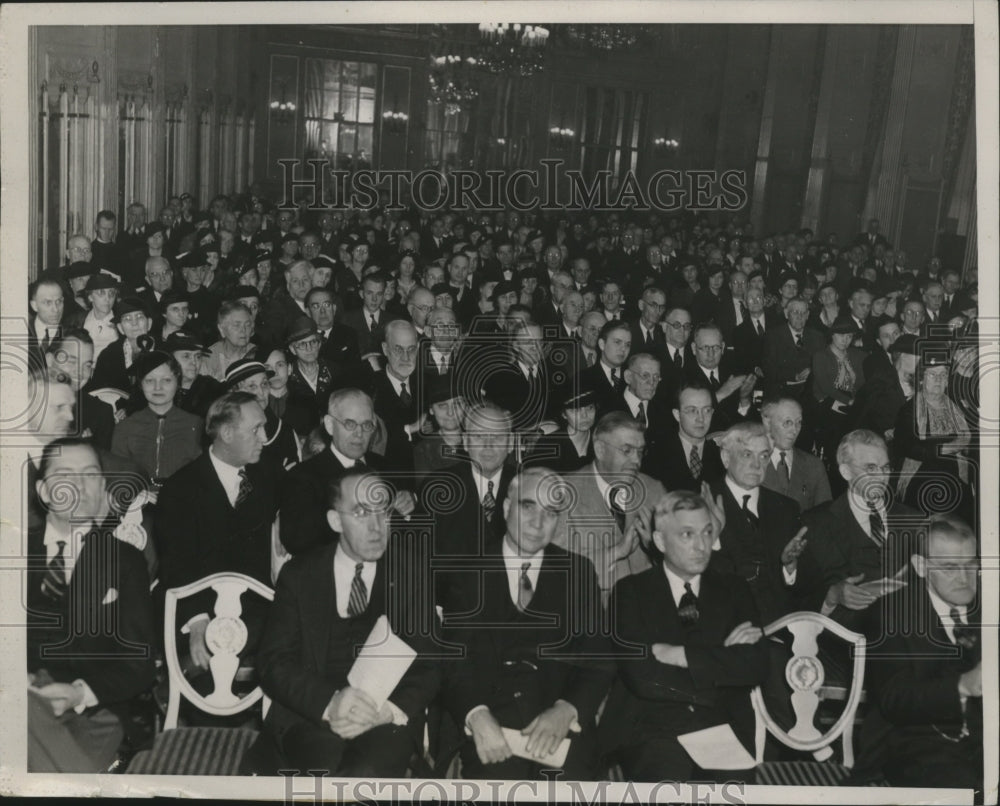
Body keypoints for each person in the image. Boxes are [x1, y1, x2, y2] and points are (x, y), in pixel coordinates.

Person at [254, 469, 440, 777]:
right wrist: (330, 702)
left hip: (384, 717)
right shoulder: (300, 575)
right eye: (361, 512)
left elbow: (431, 662)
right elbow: (273, 662)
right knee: (324, 769)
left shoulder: (411, 572)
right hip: (312, 714)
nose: (377, 527)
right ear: (335, 521)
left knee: (364, 773)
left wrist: (386, 711)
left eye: (384, 512)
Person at [445, 468, 610, 781]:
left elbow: (598, 656)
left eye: (550, 512)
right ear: (507, 508)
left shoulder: (578, 572)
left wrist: (567, 709)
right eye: (528, 506)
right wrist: (476, 714)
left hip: (559, 724)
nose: (538, 522)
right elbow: (454, 660)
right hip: (491, 722)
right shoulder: (467, 572)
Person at [600, 490, 769, 782]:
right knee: (667, 781)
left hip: (721, 726)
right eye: (687, 535)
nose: (702, 545)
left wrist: (681, 655)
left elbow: (756, 665)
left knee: (735, 789)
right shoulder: (631, 592)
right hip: (651, 727)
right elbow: (642, 677)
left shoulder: (735, 589)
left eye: (707, 532)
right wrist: (721, 658)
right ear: (661, 541)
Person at [27, 438, 156, 772]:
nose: (80, 486)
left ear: (101, 487)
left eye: (90, 475)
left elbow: (138, 665)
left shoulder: (124, 561)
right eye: (66, 475)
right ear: (43, 491)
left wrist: (77, 693)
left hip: (95, 711)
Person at [154, 392, 278, 674]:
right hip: (196, 604)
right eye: (256, 429)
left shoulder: (267, 475)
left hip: (256, 607)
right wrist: (198, 622)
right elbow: (176, 565)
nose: (265, 437)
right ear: (226, 433)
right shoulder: (180, 489)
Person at [863, 515, 982, 792]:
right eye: (949, 567)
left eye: (970, 565)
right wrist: (962, 686)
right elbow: (894, 698)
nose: (964, 578)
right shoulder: (891, 613)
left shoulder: (989, 607)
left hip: (982, 737)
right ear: (920, 566)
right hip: (914, 743)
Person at [795, 429, 920, 638]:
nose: (881, 477)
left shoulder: (914, 520)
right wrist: (832, 595)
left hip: (909, 639)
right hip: (845, 643)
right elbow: (799, 596)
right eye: (871, 468)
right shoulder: (816, 523)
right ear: (846, 472)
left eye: (886, 468)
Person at [279, 388, 415, 556]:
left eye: (366, 425)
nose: (359, 434)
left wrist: (411, 502)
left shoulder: (385, 467)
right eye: (350, 424)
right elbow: (297, 541)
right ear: (329, 425)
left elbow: (409, 536)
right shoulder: (303, 477)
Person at [559, 412, 667, 599]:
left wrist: (657, 548)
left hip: (650, 617)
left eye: (640, 451)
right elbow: (557, 573)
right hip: (592, 616)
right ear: (600, 449)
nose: (636, 460)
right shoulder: (564, 495)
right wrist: (615, 552)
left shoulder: (654, 490)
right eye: (627, 450)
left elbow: (679, 565)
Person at [424, 402, 518, 615]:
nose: (488, 444)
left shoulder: (528, 487)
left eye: (497, 436)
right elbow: (424, 562)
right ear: (465, 442)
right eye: (478, 436)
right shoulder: (438, 488)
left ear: (511, 443)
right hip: (454, 617)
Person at [708, 422, 806, 625]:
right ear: (726, 458)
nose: (756, 465)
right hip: (725, 627)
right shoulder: (701, 502)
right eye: (746, 455)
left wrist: (789, 567)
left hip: (780, 627)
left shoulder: (786, 508)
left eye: (763, 456)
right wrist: (714, 539)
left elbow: (803, 590)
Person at [893, 353, 975, 526]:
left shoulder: (954, 406)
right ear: (921, 379)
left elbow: (968, 441)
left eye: (943, 375)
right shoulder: (909, 409)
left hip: (956, 473)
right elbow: (903, 446)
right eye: (932, 374)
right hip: (922, 473)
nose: (938, 379)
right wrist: (943, 449)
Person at [110, 351, 203, 486]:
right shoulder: (125, 428)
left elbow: (201, 476)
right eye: (149, 380)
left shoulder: (195, 424)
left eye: (166, 380)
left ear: (177, 382)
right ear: (141, 384)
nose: (158, 387)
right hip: (139, 500)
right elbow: (118, 477)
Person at [224, 358, 299, 472]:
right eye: (252, 386)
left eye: (264, 384)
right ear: (233, 393)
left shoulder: (284, 431)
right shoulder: (225, 433)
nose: (261, 392)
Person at [759, 396, 832, 511]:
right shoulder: (751, 462)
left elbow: (825, 518)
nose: (794, 430)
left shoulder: (814, 466)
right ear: (767, 422)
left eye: (798, 423)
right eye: (787, 422)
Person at [812, 317, 867, 463]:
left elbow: (862, 382)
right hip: (826, 400)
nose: (846, 340)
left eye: (849, 336)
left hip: (851, 400)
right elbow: (826, 387)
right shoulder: (820, 356)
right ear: (832, 335)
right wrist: (849, 401)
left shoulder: (858, 356)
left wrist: (855, 400)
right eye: (841, 336)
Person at [660, 382, 725, 491]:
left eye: (707, 410)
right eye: (692, 411)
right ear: (677, 415)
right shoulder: (657, 456)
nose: (701, 418)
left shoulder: (722, 457)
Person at [523, 387, 597, 474]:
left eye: (590, 408)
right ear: (564, 415)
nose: (584, 415)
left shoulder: (602, 438)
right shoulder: (549, 445)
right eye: (576, 410)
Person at [412, 378, 465, 477]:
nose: (450, 412)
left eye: (457, 404)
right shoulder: (424, 450)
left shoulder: (478, 440)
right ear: (431, 410)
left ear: (465, 406)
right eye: (442, 405)